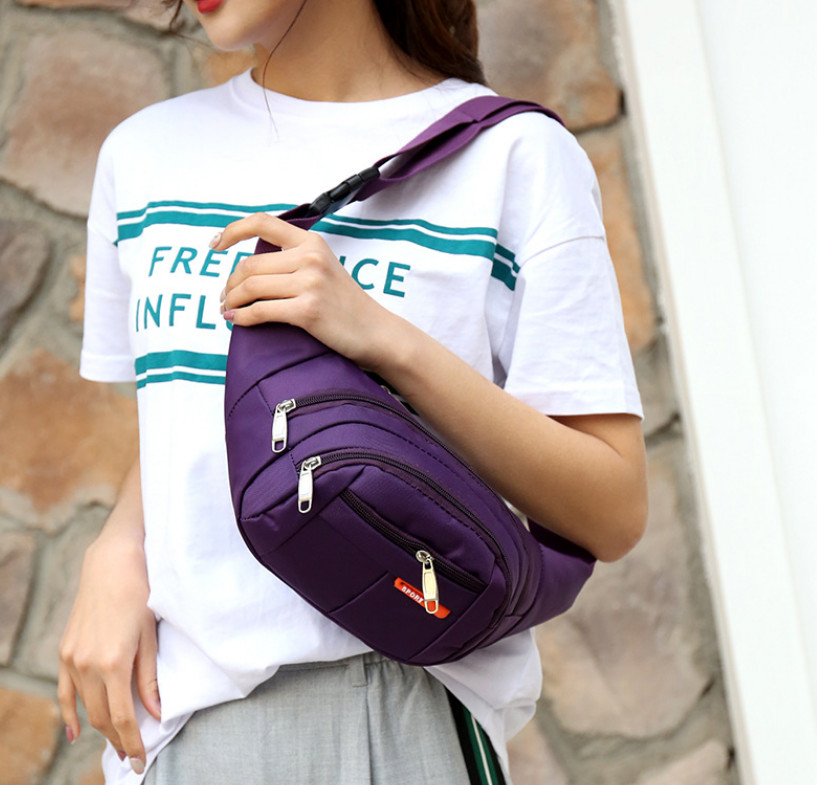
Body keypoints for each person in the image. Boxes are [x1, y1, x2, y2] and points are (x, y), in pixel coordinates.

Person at [58, 1, 648, 783]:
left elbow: (611, 507)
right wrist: (117, 546)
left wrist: (380, 337)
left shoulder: (512, 155)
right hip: (183, 731)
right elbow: (194, 410)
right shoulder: (145, 156)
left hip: (400, 707)